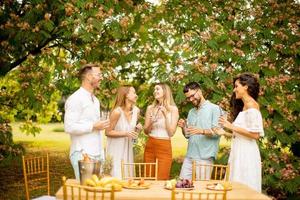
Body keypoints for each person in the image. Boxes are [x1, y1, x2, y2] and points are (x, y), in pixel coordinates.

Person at [217, 73, 264, 192]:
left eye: (236, 86)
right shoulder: (244, 106)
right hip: (239, 152)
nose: (234, 89)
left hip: (246, 154)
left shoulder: (252, 105)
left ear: (246, 87)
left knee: (245, 186)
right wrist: (224, 132)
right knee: (235, 184)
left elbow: (255, 134)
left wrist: (231, 126)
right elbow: (241, 135)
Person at [64, 64, 110, 180]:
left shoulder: (95, 100)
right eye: (99, 74)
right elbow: (69, 127)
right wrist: (93, 126)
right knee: (86, 194)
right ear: (89, 77)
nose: (101, 78)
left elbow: (95, 128)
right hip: (82, 153)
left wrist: (101, 153)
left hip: (97, 154)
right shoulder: (75, 99)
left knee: (97, 194)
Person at [177, 82, 221, 180]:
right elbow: (188, 135)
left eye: (192, 95)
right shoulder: (191, 112)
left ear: (200, 91)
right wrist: (183, 127)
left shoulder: (215, 109)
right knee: (182, 185)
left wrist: (202, 131)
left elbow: (218, 132)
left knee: (202, 189)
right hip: (189, 156)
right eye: (188, 98)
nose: (191, 99)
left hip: (205, 157)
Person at [144, 83, 179, 180]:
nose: (155, 91)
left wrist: (164, 115)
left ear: (165, 92)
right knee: (148, 177)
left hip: (164, 146)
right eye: (154, 89)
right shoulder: (150, 108)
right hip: (150, 144)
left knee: (161, 178)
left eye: (157, 89)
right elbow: (146, 131)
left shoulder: (173, 109)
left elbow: (171, 133)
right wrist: (151, 122)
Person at [105, 86, 142, 179]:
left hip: (128, 151)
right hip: (116, 150)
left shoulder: (136, 111)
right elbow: (107, 132)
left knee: (127, 178)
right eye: (133, 92)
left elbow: (132, 135)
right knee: (116, 178)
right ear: (126, 95)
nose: (136, 95)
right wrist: (125, 133)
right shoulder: (117, 112)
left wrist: (137, 130)